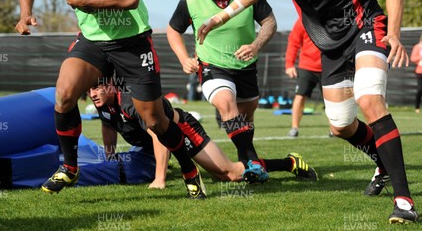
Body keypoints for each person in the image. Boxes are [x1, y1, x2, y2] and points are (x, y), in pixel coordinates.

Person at [197, 0, 417, 224]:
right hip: (329, 44)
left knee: (370, 100)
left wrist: (394, 33)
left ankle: (404, 201)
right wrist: (219, 17)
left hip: (366, 28)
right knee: (341, 125)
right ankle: (383, 164)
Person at [16, 0, 206, 199]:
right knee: (64, 93)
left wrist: (83, 1)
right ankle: (70, 167)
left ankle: (187, 167)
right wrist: (25, 12)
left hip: (132, 42)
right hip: (93, 41)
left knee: (155, 119)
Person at [167, 0, 277, 184]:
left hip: (245, 66)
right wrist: (183, 58)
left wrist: (256, 45)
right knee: (226, 103)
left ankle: (247, 165)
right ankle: (253, 160)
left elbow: (270, 22)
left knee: (244, 122)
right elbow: (173, 29)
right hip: (212, 66)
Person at [89, 79, 317, 188]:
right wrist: (109, 157)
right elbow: (108, 126)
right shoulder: (103, 103)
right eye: (89, 89)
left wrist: (160, 179)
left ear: (111, 86)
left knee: (230, 174)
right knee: (222, 175)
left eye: (97, 88)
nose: (92, 94)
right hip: (157, 142)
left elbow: (159, 135)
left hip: (182, 130)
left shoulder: (129, 100)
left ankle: (289, 163)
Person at [285, 17, 322, 137]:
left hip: (329, 66)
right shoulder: (302, 20)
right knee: (300, 96)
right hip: (307, 66)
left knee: (332, 100)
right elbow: (293, 43)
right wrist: (289, 64)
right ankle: (294, 128)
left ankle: (335, 129)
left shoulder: (332, 16)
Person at [411, 35, 422, 114]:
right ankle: (417, 107)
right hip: (420, 71)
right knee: (420, 90)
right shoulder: (417, 47)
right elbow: (413, 58)